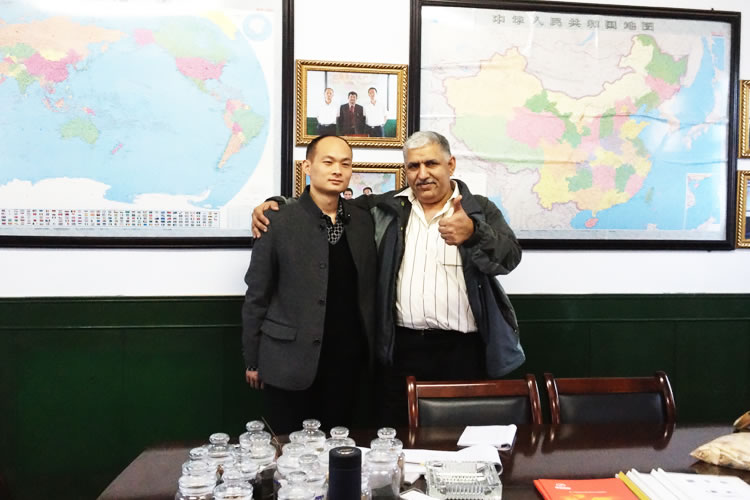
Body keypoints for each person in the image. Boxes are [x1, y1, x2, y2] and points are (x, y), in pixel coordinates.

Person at [252, 131, 524, 426]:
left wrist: (474, 233)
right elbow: (327, 202)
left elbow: (509, 258)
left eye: (431, 163)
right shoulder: (386, 208)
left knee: (461, 439)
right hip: (400, 350)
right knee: (396, 440)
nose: (422, 174)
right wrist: (277, 203)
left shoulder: (479, 209)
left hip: (463, 351)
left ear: (451, 165)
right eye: (413, 166)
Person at [242, 134, 376, 434]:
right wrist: (252, 360)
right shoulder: (278, 219)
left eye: (345, 164)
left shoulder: (363, 220)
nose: (337, 170)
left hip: (348, 362)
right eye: (328, 162)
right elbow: (257, 295)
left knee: (344, 449)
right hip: (288, 361)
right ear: (307, 167)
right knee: (289, 450)